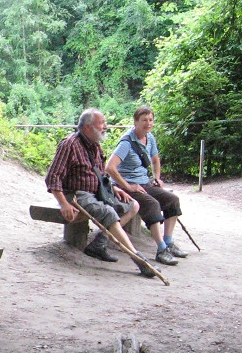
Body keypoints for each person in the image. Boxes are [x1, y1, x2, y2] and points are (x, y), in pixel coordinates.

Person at [44, 108, 159, 278]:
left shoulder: (95, 145)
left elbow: (101, 174)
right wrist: (64, 203)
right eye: (102, 123)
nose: (106, 126)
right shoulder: (69, 144)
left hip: (97, 191)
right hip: (77, 195)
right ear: (88, 127)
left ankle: (100, 243)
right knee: (109, 212)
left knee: (132, 205)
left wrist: (114, 189)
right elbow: (53, 177)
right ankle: (138, 259)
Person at [105, 105, 189, 265]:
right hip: (126, 186)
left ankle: (169, 242)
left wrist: (157, 178)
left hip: (145, 183)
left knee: (172, 199)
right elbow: (109, 167)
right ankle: (161, 249)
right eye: (144, 120)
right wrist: (129, 187)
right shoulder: (127, 143)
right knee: (152, 204)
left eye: (150, 120)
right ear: (135, 122)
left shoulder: (150, 138)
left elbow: (155, 159)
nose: (148, 123)